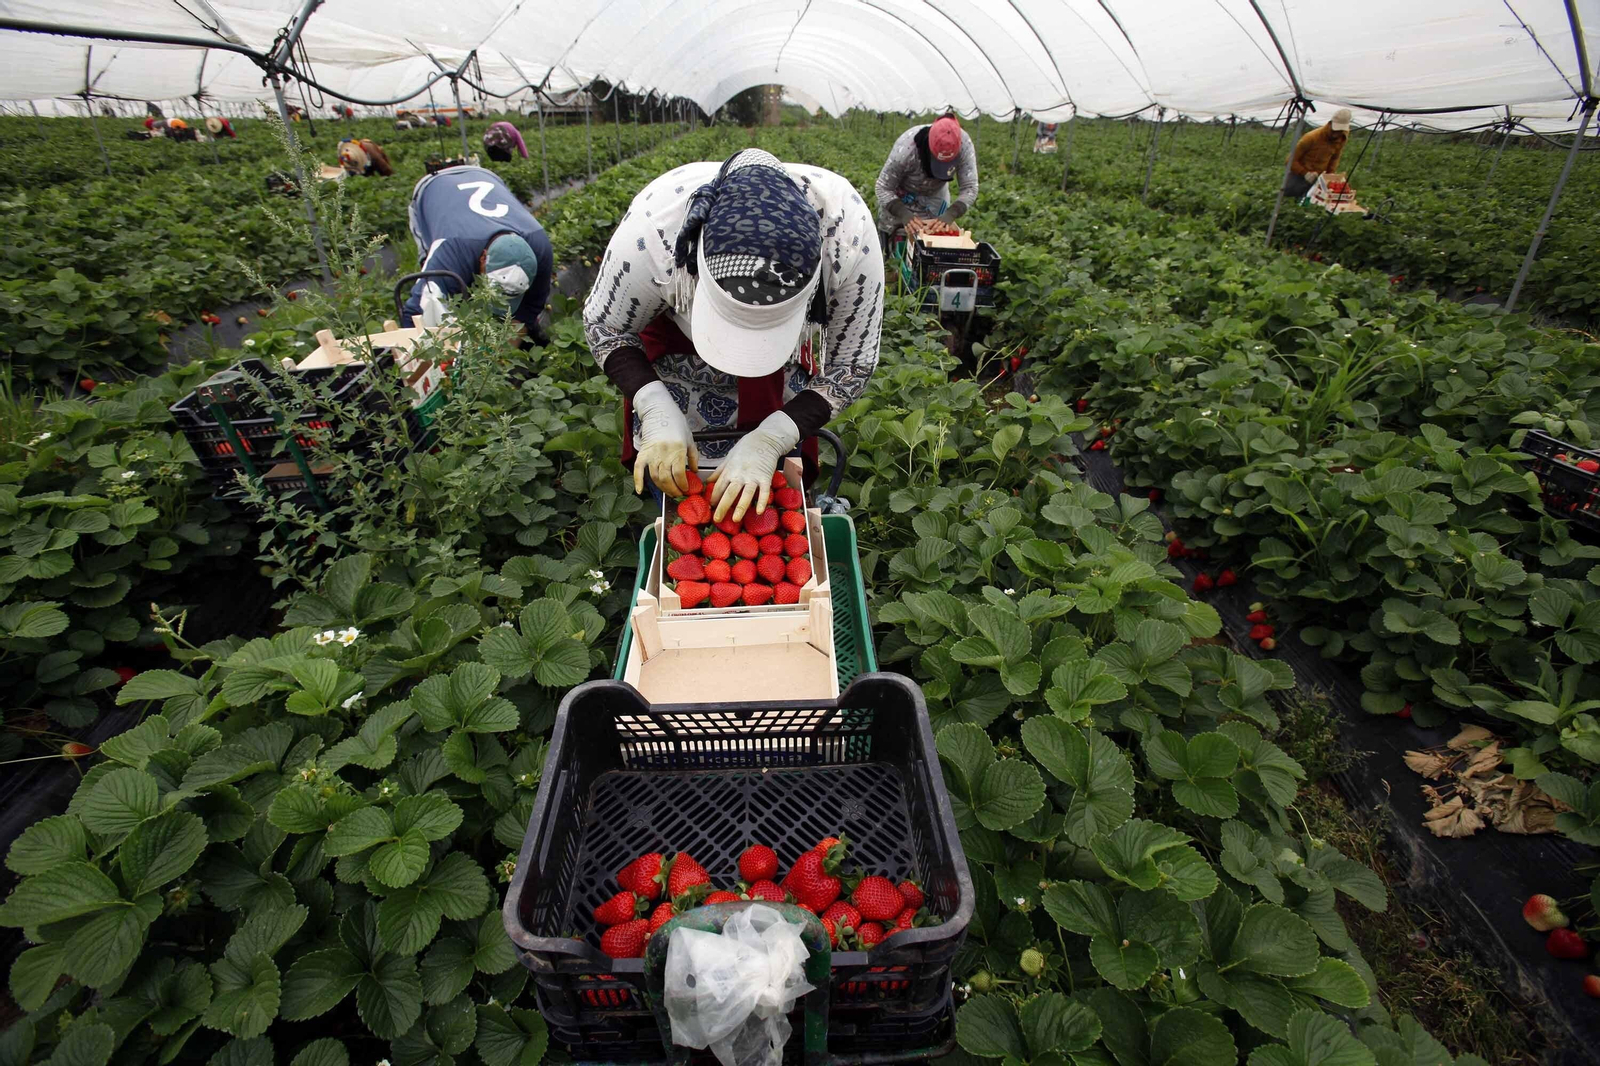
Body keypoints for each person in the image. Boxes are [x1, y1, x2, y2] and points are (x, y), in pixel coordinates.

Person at [583, 148, 884, 520]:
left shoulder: (847, 238)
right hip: (680, 370)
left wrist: (773, 437)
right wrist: (655, 407)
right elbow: (605, 325)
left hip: (781, 379)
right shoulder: (655, 231)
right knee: (674, 479)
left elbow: (852, 363)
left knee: (772, 497)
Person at [401, 164, 553, 345]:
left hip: (487, 177)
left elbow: (529, 309)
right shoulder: (451, 251)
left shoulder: (541, 248)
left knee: (526, 332)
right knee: (436, 303)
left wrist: (503, 353)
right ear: (483, 258)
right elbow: (414, 313)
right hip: (432, 189)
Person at [874, 114, 978, 242]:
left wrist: (951, 213)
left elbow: (970, 188)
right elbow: (883, 187)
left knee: (931, 241)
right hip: (900, 199)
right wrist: (903, 213)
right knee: (896, 241)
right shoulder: (906, 150)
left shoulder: (964, 145)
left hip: (934, 199)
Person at [1284, 108, 1352, 200]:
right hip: (1299, 175)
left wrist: (1330, 174)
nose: (1336, 135)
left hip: (1320, 177)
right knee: (1291, 196)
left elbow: (1335, 158)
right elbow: (1289, 160)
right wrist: (1305, 173)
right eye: (1334, 131)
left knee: (1313, 202)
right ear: (1330, 124)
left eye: (1339, 131)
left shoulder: (1342, 138)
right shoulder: (1311, 138)